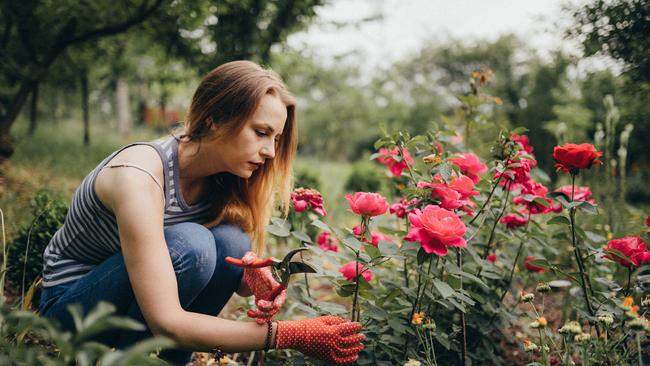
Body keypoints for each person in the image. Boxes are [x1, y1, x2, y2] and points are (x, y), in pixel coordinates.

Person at [38, 60, 365, 365]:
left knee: (232, 241)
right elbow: (167, 320)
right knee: (192, 244)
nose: (269, 152)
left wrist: (254, 277)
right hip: (72, 310)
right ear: (215, 119)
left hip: (133, 303)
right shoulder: (139, 177)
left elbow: (234, 282)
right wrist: (291, 333)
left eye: (276, 139)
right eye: (261, 132)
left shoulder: (221, 182)